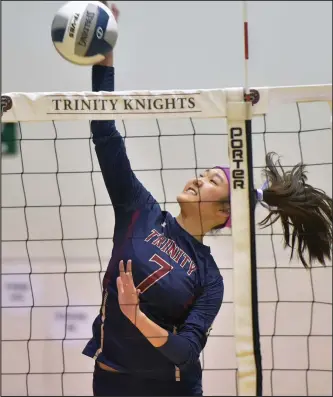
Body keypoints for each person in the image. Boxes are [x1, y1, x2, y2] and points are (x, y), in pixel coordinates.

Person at [83, 4, 332, 396]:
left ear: (223, 212)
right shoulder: (139, 210)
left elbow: (185, 351)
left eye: (212, 180)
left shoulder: (209, 277)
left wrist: (135, 315)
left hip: (172, 388)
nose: (198, 178)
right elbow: (103, 128)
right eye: (203, 173)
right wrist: (104, 52)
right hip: (110, 381)